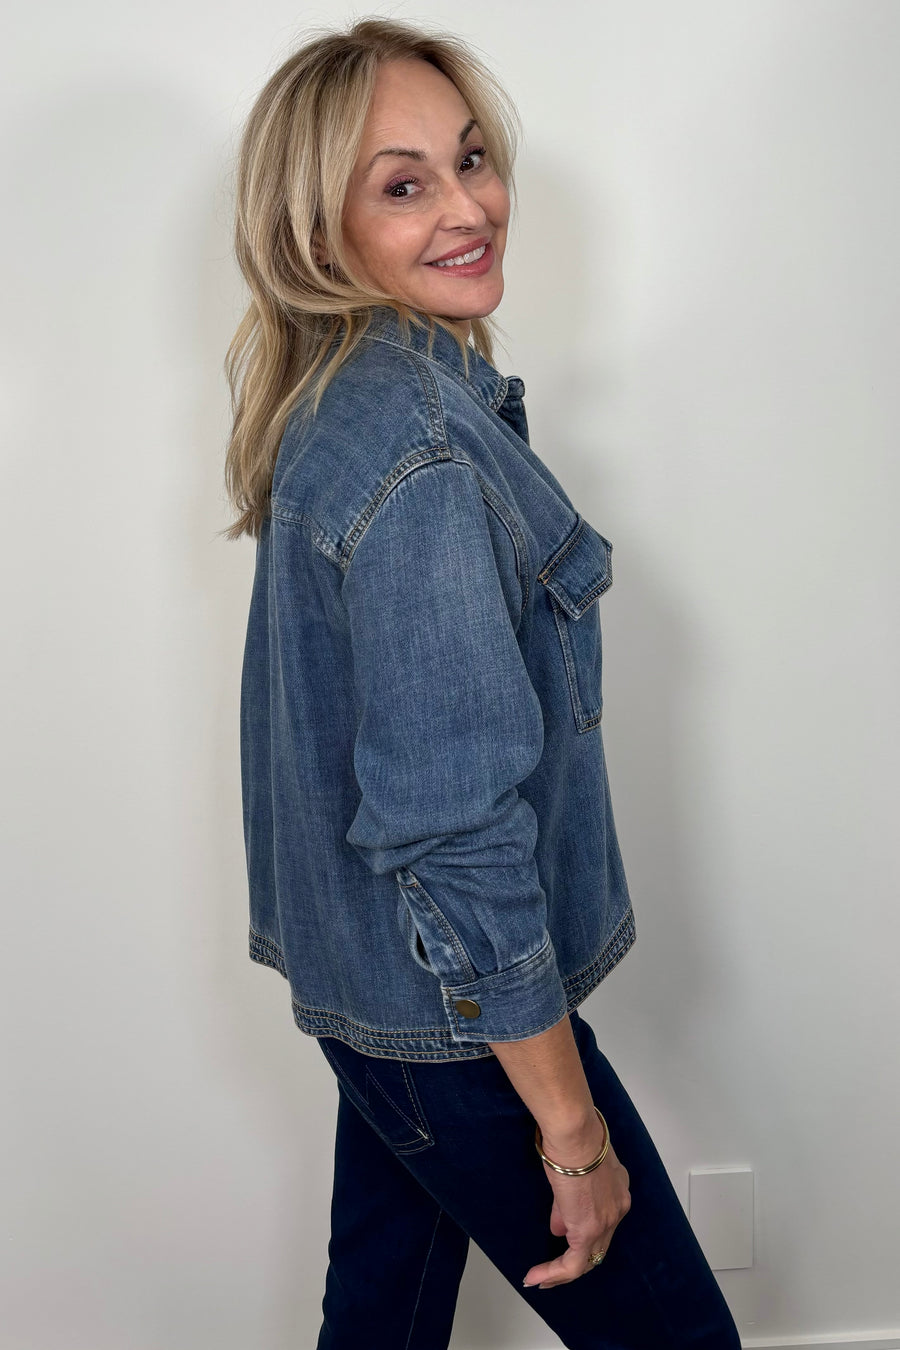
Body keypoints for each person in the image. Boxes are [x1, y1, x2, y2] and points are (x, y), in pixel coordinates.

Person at [224, 17, 741, 1350]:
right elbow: (453, 829)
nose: (470, 207)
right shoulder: (422, 458)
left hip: (384, 1006)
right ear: (315, 229)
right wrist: (571, 1132)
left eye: (470, 159)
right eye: (404, 185)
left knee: (382, 1320)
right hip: (455, 1020)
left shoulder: (348, 401)